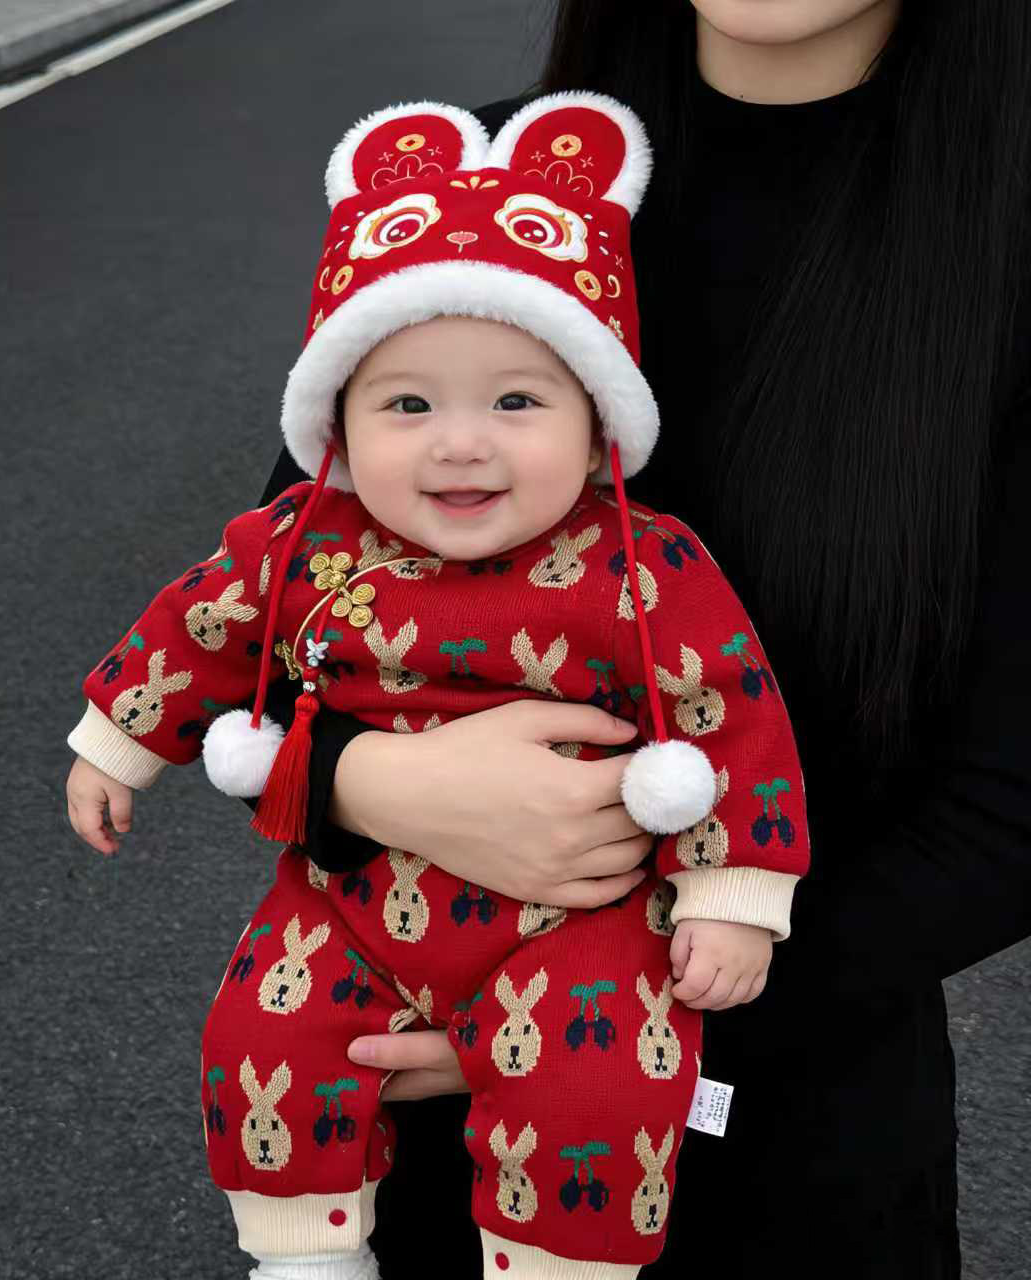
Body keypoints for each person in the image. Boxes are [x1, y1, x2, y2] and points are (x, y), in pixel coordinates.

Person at [245, 3, 1031, 1278]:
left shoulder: (998, 236)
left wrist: (608, 1014)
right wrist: (359, 777)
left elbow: (1005, 812)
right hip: (422, 1095)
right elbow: (278, 610)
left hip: (794, 1127)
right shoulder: (505, 178)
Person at [65, 93, 813, 1279]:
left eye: (517, 400)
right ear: (340, 429)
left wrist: (728, 891)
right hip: (348, 893)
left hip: (579, 919)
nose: (458, 442)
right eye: (405, 404)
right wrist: (115, 742)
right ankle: (303, 1255)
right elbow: (201, 625)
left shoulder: (641, 562)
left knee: (598, 1076)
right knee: (258, 1028)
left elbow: (724, 713)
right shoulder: (303, 539)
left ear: (595, 425)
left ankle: (560, 1266)